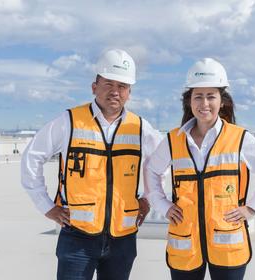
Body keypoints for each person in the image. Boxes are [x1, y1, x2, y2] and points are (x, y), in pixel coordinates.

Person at [21, 49, 162, 280]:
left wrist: (148, 198)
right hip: (78, 238)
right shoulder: (70, 122)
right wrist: (46, 206)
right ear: (94, 86)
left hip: (123, 239)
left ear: (129, 92)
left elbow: (160, 164)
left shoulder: (140, 127)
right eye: (108, 83)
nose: (115, 91)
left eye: (122, 86)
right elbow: (31, 158)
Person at [144, 58, 255, 280]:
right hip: (185, 243)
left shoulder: (239, 138)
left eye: (211, 96)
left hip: (228, 244)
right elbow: (151, 170)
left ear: (222, 101)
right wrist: (162, 205)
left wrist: (252, 208)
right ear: (189, 101)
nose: (204, 103)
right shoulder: (173, 140)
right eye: (198, 96)